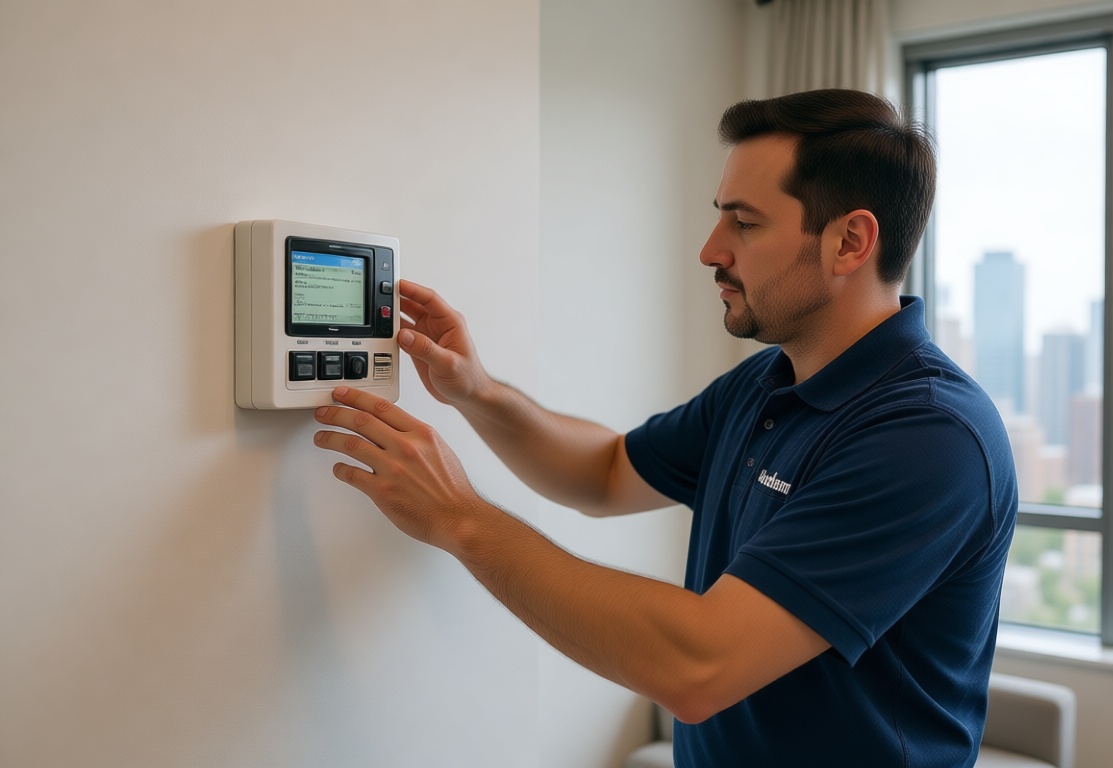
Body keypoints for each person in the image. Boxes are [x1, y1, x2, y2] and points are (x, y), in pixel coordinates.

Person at [313, 88, 1018, 767]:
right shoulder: (768, 382)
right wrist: (478, 392)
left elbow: (698, 664)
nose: (711, 249)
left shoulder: (929, 437)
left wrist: (459, 519)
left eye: (744, 223)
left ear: (849, 242)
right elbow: (607, 471)